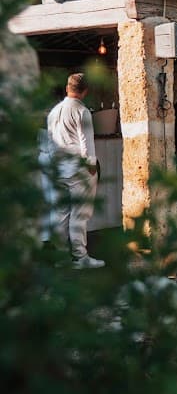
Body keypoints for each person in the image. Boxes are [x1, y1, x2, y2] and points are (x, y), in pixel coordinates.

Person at [46, 72, 104, 268]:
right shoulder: (82, 111)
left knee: (61, 213)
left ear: (67, 88)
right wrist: (92, 168)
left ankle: (61, 256)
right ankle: (80, 257)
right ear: (85, 91)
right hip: (78, 169)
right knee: (80, 213)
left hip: (59, 168)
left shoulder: (54, 112)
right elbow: (86, 144)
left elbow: (51, 142)